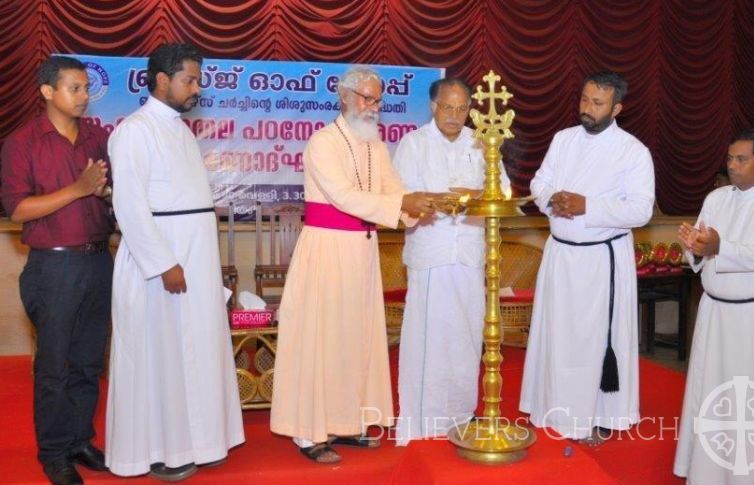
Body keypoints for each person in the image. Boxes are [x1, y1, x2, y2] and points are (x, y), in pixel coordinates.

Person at [269, 66, 447, 463]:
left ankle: (347, 423)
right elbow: (343, 196)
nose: (374, 107)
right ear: (345, 97)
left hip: (362, 252)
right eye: (367, 98)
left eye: (378, 100)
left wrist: (421, 202)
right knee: (321, 340)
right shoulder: (322, 142)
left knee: (354, 339)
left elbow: (393, 190)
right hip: (326, 252)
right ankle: (309, 434)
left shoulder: (375, 145)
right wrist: (403, 205)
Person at [105, 43, 244, 481]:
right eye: (189, 79)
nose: (196, 88)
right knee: (161, 356)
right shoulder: (134, 131)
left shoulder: (181, 130)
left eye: (198, 79)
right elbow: (129, 206)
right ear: (162, 80)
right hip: (160, 266)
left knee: (198, 350)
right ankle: (161, 452)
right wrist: (164, 263)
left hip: (194, 258)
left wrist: (204, 261)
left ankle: (200, 442)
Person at [519, 70, 655, 446]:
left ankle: (597, 416)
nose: (587, 108)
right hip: (560, 256)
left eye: (597, 103)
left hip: (601, 262)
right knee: (556, 335)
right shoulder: (562, 140)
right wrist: (553, 199)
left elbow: (641, 210)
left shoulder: (633, 151)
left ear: (617, 108)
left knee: (592, 341)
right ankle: (551, 407)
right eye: (584, 99)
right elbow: (538, 181)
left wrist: (586, 206)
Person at [1, 55, 112, 485]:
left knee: (88, 363)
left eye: (86, 89)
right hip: (54, 265)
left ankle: (80, 440)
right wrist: (77, 189)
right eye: (75, 88)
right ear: (48, 91)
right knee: (55, 366)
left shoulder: (97, 138)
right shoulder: (22, 142)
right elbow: (18, 208)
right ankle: (53, 453)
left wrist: (102, 194)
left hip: (99, 259)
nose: (85, 96)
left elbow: (107, 193)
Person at [674, 130, 754, 484]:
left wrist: (719, 247)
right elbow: (700, 248)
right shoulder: (716, 198)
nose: (732, 165)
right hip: (715, 313)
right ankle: (709, 472)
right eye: (729, 158)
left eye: (741, 159)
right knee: (713, 395)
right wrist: (695, 248)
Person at [392, 78, 511, 445]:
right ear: (433, 107)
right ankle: (424, 420)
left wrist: (476, 196)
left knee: (466, 338)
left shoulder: (482, 143)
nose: (455, 116)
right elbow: (400, 195)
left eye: (462, 109)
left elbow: (503, 191)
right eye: (448, 108)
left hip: (470, 255)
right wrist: (434, 200)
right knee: (428, 338)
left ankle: (461, 414)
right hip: (431, 254)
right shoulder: (413, 144)